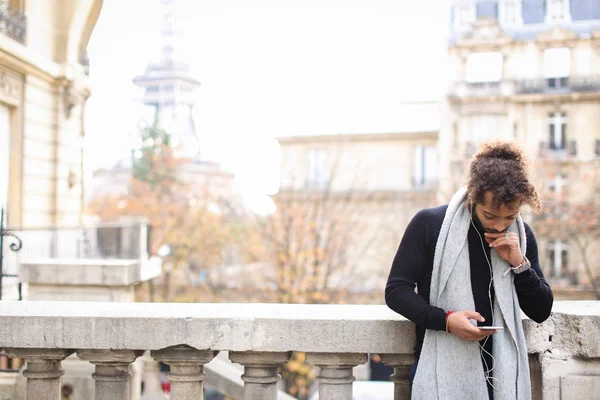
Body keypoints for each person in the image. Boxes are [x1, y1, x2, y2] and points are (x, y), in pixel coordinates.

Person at [385, 141, 553, 400]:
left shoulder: (521, 237)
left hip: (502, 375)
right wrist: (446, 321)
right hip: (440, 368)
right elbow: (396, 290)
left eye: (510, 217)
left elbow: (541, 310)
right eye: (490, 215)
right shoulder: (430, 224)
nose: (499, 227)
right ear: (473, 197)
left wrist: (520, 264)